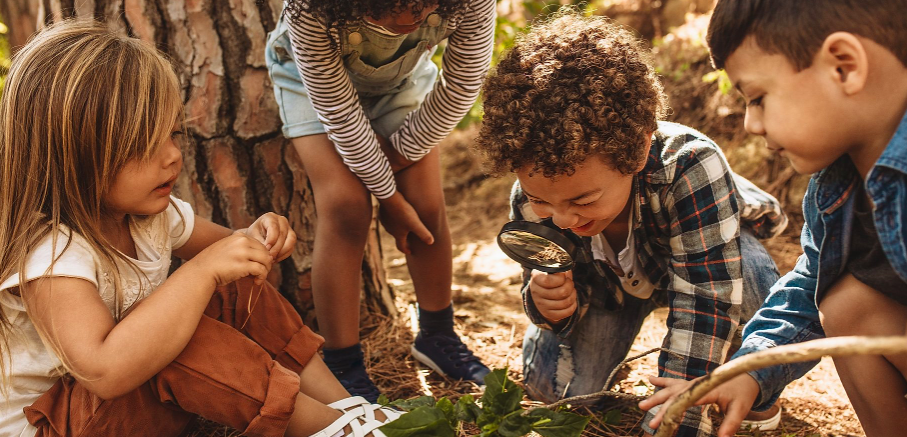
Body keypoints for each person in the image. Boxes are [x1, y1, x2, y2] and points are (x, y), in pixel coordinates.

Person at [0, 20, 401, 437]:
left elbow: (236, 252)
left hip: (121, 409)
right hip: (57, 427)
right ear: (71, 156)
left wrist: (259, 236)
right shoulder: (51, 254)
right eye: (143, 143)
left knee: (234, 286)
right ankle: (329, 430)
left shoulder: (151, 217)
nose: (173, 156)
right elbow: (104, 373)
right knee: (178, 338)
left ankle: (346, 408)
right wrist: (200, 271)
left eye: (173, 134)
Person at [641, 1, 907, 436]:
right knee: (844, 305)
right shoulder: (834, 189)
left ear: (844, 66)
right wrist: (748, 370)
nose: (751, 124)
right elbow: (805, 293)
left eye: (758, 99)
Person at [473, 12, 789, 437]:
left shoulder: (691, 166)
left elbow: (706, 299)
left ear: (638, 150)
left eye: (584, 199)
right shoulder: (534, 200)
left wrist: (675, 417)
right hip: (610, 290)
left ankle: (756, 393)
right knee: (556, 393)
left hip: (698, 264)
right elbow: (545, 285)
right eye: (540, 199)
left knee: (750, 277)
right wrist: (548, 306)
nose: (563, 218)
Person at [264, 0, 495, 401]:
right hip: (312, 86)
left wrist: (399, 157)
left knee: (424, 204)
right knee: (346, 207)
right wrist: (387, 196)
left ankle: (438, 336)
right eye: (387, 12)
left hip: (402, 82)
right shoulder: (310, 10)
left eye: (422, 9)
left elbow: (461, 85)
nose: (408, 22)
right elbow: (337, 111)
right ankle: (343, 362)